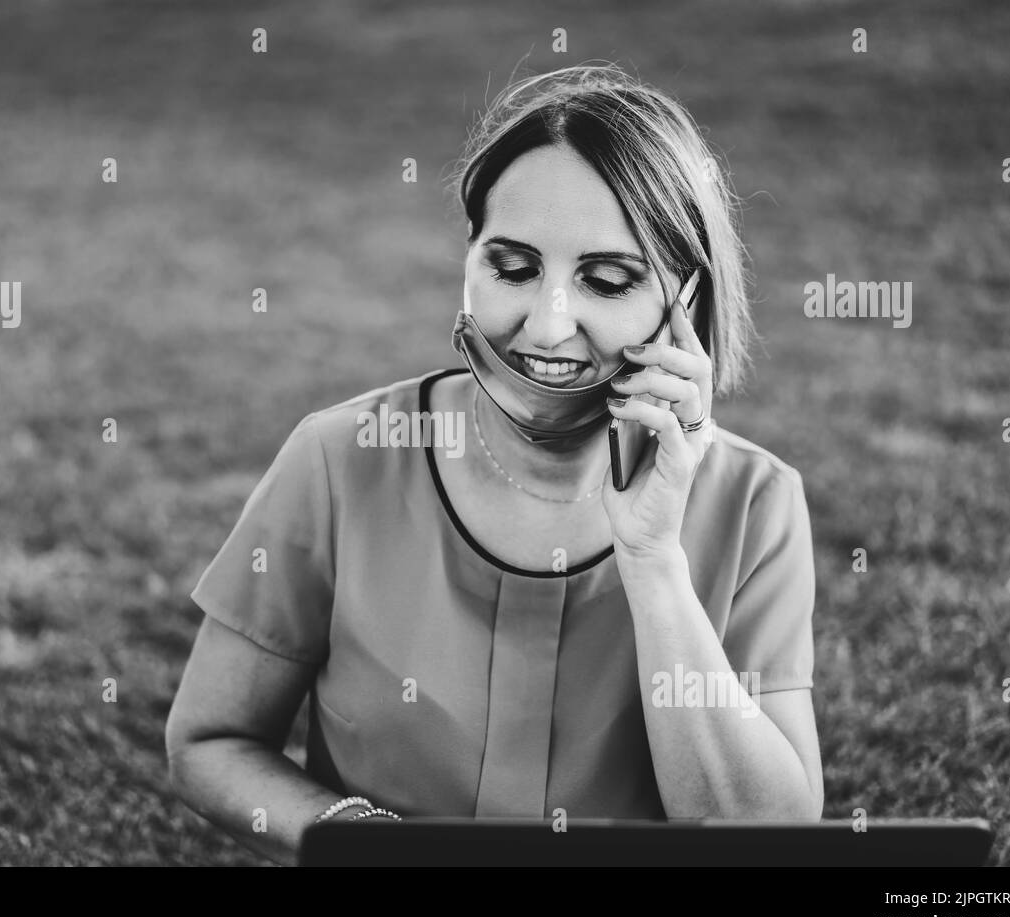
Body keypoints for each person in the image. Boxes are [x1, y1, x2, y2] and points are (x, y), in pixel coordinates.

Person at [166, 63, 823, 866]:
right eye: (511, 269)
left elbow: (768, 845)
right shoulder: (340, 460)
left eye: (608, 281)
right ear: (468, 259)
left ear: (685, 300)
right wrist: (363, 844)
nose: (548, 327)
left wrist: (653, 563)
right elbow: (211, 740)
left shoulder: (757, 503)